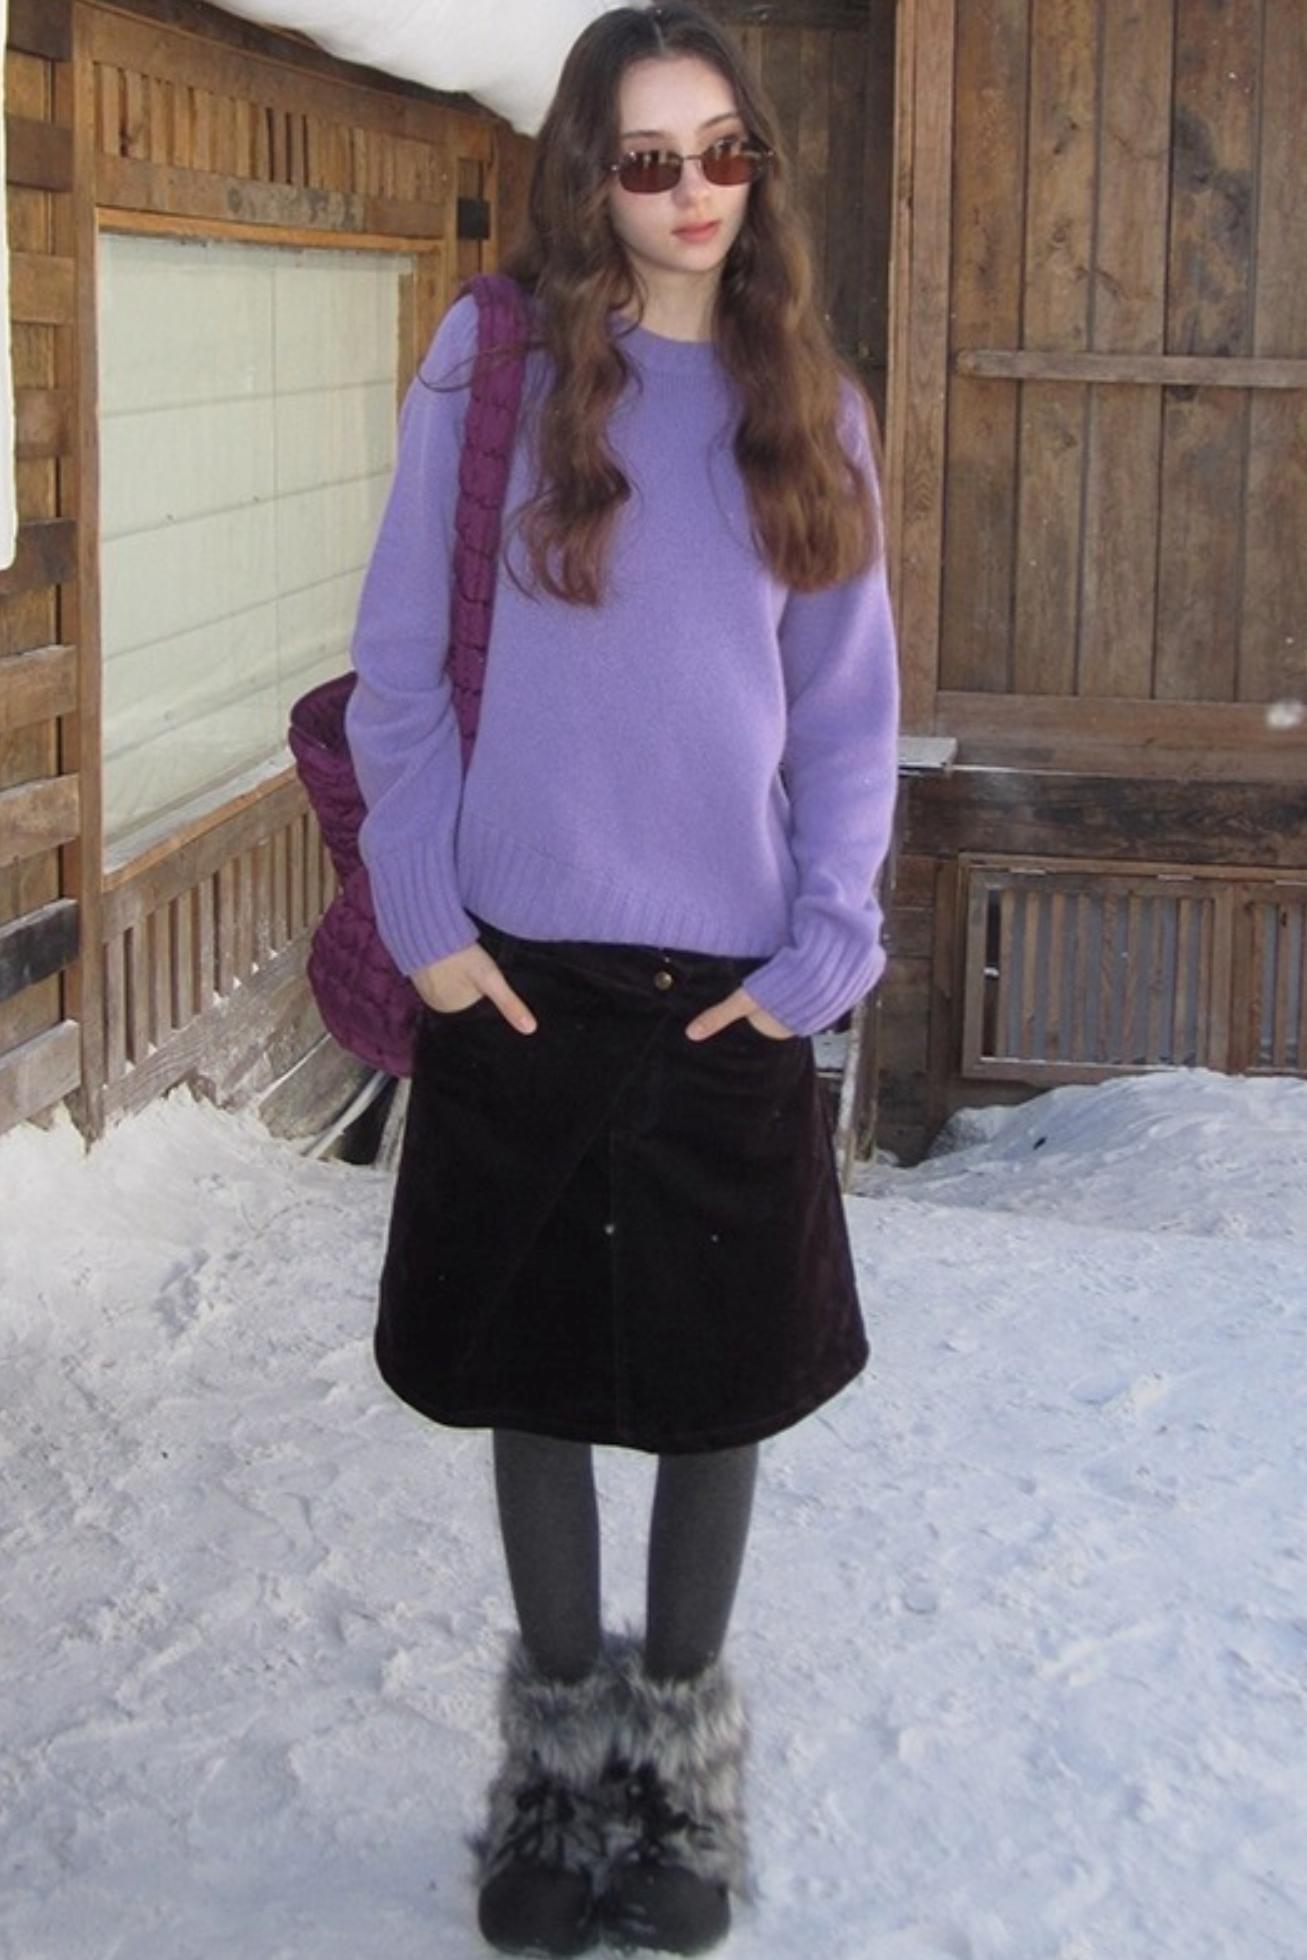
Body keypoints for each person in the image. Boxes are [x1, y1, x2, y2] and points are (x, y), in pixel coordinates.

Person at [345, 3, 900, 1952]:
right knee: (536, 1373)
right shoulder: (491, 369)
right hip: (513, 972)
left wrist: (828, 940)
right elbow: (398, 668)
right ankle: (557, 1766)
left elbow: (848, 716)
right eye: (647, 158)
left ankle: (676, 1770)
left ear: (761, 169)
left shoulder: (808, 407)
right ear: (589, 173)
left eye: (723, 152)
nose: (691, 193)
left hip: (724, 986)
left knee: (711, 1383)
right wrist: (424, 913)